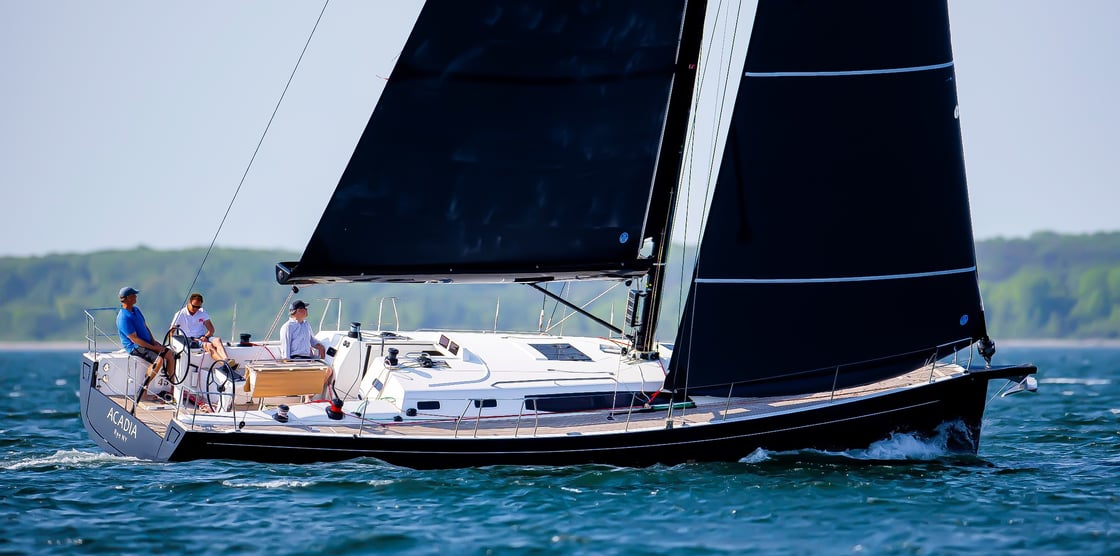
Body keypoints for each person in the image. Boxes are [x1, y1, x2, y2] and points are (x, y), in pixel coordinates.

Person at [116, 286, 176, 398]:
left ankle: (172, 388)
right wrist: (155, 348)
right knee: (159, 360)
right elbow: (135, 339)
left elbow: (145, 326)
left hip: (148, 343)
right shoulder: (123, 317)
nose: (136, 297)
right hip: (135, 346)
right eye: (134, 295)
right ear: (128, 298)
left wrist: (154, 342)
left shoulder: (136, 310)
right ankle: (144, 388)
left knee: (169, 354)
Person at [278, 299, 332, 395]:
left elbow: (312, 340)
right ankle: (309, 395)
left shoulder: (306, 324)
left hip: (308, 359)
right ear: (299, 311)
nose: (307, 310)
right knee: (310, 374)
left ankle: (310, 394)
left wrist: (320, 346)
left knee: (328, 370)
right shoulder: (287, 327)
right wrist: (287, 363)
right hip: (296, 359)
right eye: (305, 308)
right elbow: (285, 347)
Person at [169, 292, 234, 367]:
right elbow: (171, 332)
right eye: (194, 306)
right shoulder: (180, 314)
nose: (196, 309)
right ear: (189, 302)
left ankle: (227, 360)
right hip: (190, 340)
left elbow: (211, 330)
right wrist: (172, 345)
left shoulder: (202, 312)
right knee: (209, 345)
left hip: (203, 336)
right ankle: (225, 365)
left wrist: (205, 337)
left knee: (217, 340)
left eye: (198, 307)